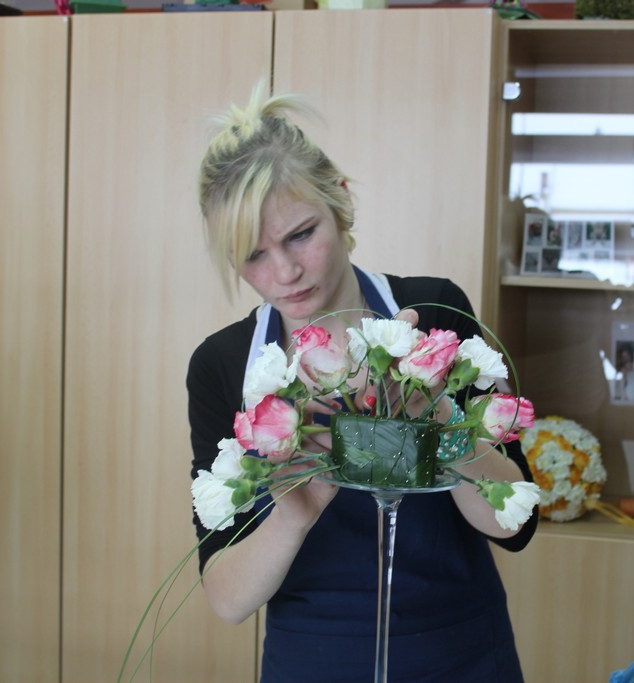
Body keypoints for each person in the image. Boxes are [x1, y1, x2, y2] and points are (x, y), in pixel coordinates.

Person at [187, 81, 537, 682]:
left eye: (301, 234)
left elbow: (515, 524)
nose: (285, 272)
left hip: (461, 650)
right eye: (254, 255)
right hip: (312, 660)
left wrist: (441, 420)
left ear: (340, 201)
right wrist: (293, 514)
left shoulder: (434, 313)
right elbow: (226, 598)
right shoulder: (224, 364)